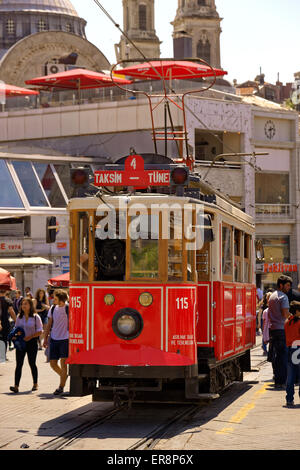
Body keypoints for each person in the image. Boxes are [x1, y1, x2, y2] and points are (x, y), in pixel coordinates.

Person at [9, 298, 43, 393]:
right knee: (19, 364)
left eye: (26, 304)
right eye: (22, 304)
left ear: (30, 306)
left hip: (32, 342)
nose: (23, 305)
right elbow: (16, 329)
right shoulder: (19, 317)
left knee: (32, 363)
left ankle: (35, 383)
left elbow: (40, 331)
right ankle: (16, 386)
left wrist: (31, 336)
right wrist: (16, 335)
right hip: (21, 343)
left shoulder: (36, 317)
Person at [268, 275, 292, 389]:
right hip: (282, 329)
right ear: (281, 285)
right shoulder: (284, 297)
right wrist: (294, 317)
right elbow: (285, 314)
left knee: (277, 357)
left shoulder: (272, 296)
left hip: (273, 329)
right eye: (287, 285)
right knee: (283, 356)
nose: (289, 288)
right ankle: (282, 381)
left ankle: (278, 380)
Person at [43, 290, 69, 396]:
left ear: (61, 299)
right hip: (54, 338)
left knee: (63, 364)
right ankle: (64, 376)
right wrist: (45, 338)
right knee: (53, 364)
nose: (53, 299)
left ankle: (61, 387)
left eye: (56, 298)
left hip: (65, 339)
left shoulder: (68, 308)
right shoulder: (53, 308)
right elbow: (49, 324)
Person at [284, 301, 300, 407]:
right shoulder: (299, 322)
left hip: (290, 349)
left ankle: (289, 399)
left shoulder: (287, 322)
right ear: (297, 311)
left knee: (290, 376)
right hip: (298, 349)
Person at [0, 289, 16, 354]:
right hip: (5, 322)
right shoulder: (8, 300)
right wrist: (16, 321)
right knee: (4, 338)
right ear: (6, 291)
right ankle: (2, 355)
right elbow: (11, 311)